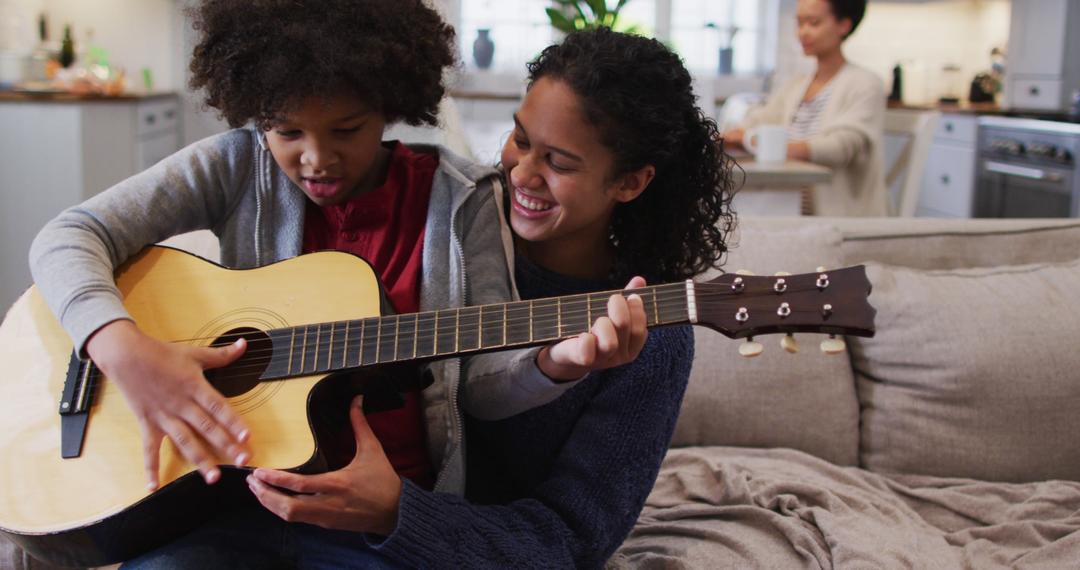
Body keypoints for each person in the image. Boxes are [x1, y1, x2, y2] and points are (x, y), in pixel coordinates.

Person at [28, 1, 645, 567]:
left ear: (390, 105)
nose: (316, 158)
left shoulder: (464, 200)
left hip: (378, 517)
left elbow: (481, 386)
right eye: (286, 131)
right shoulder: (237, 164)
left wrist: (554, 364)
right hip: (224, 502)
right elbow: (69, 236)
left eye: (346, 130)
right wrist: (122, 349)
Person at [246, 28, 736, 569]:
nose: (521, 173)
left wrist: (396, 512)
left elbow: (571, 539)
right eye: (520, 140)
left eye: (561, 163)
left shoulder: (652, 336)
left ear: (630, 183)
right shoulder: (450, 228)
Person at [725, 0, 887, 217]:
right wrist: (732, 135)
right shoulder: (797, 84)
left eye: (814, 22)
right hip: (787, 207)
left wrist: (755, 142)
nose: (803, 32)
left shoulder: (866, 83)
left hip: (836, 218)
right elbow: (761, 120)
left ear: (844, 25)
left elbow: (840, 147)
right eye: (799, 23)